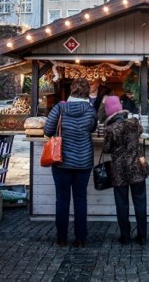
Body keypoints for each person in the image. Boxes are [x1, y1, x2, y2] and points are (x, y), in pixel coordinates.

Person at [44, 78, 97, 248]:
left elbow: (47, 130)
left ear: (71, 91)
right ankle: (81, 239)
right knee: (81, 199)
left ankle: (61, 238)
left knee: (62, 199)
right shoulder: (90, 110)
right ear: (87, 92)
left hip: (62, 161)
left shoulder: (60, 107)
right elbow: (92, 128)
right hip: (84, 162)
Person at [103, 95, 149, 245]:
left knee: (122, 204)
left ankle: (125, 236)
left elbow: (106, 149)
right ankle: (142, 236)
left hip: (119, 170)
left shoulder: (110, 129)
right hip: (137, 167)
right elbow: (142, 131)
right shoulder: (134, 122)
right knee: (140, 202)